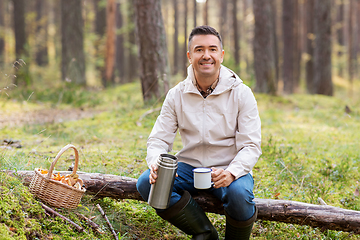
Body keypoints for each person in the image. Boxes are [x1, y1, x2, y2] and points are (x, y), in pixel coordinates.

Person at [136, 25, 261, 240]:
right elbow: (158, 138)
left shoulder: (242, 93)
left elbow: (251, 145)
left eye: (212, 49)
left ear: (221, 55)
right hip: (188, 168)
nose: (206, 55)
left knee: (240, 194)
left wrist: (232, 172)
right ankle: (204, 233)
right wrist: (156, 161)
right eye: (199, 49)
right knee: (146, 183)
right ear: (189, 55)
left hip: (227, 168)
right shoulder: (176, 94)